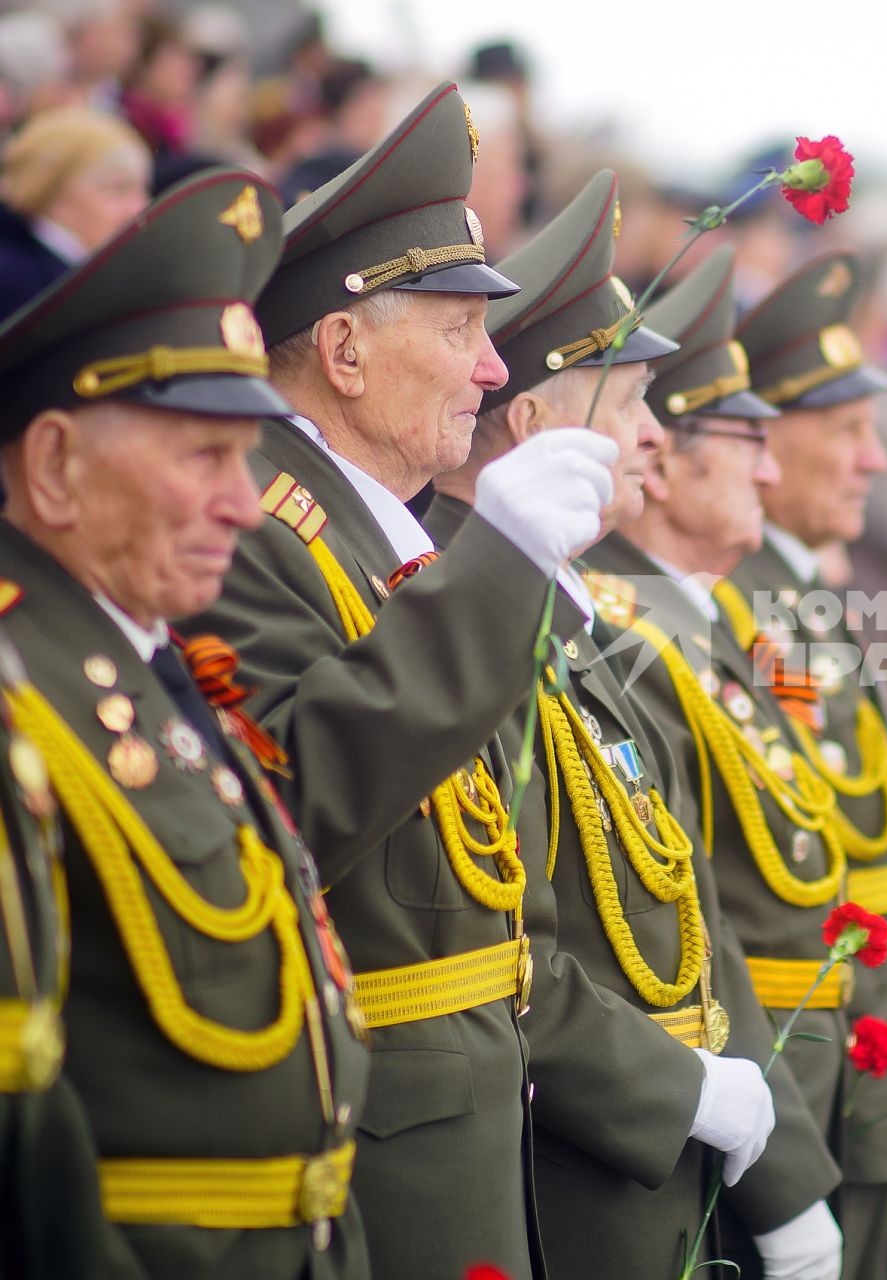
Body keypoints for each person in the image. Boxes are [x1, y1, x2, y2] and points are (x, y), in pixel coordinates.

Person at [182, 83, 615, 1280]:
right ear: (345, 345)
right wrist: (501, 567)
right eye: (459, 330)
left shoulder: (365, 523)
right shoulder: (258, 523)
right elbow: (302, 789)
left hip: (461, 1104)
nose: (490, 369)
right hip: (383, 1128)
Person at [0, 167, 368, 1278]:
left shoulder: (135, 659)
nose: (245, 504)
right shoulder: (27, 685)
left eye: (247, 459)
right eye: (203, 455)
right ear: (56, 464)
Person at [427, 170, 784, 1280]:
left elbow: (674, 891)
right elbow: (510, 934)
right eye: (628, 405)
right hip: (585, 1151)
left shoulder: (584, 622)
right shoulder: (461, 611)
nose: (655, 441)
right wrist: (677, 1087)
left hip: (657, 1135)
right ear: (529, 423)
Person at [580, 245, 846, 1280]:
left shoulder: (707, 616)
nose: (771, 472)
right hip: (722, 1094)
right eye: (747, 442)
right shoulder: (619, 628)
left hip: (792, 1066)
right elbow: (702, 907)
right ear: (668, 460)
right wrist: (785, 1169)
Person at [728, 250, 887, 1280]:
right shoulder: (741, 603)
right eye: (848, 432)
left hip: (866, 1023)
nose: (876, 461)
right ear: (766, 442)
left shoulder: (799, 590)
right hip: (822, 1036)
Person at [0, 107, 151, 318]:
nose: (139, 207)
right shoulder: (17, 283)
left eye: (143, 189)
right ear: (53, 193)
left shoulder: (95, 275)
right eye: (117, 189)